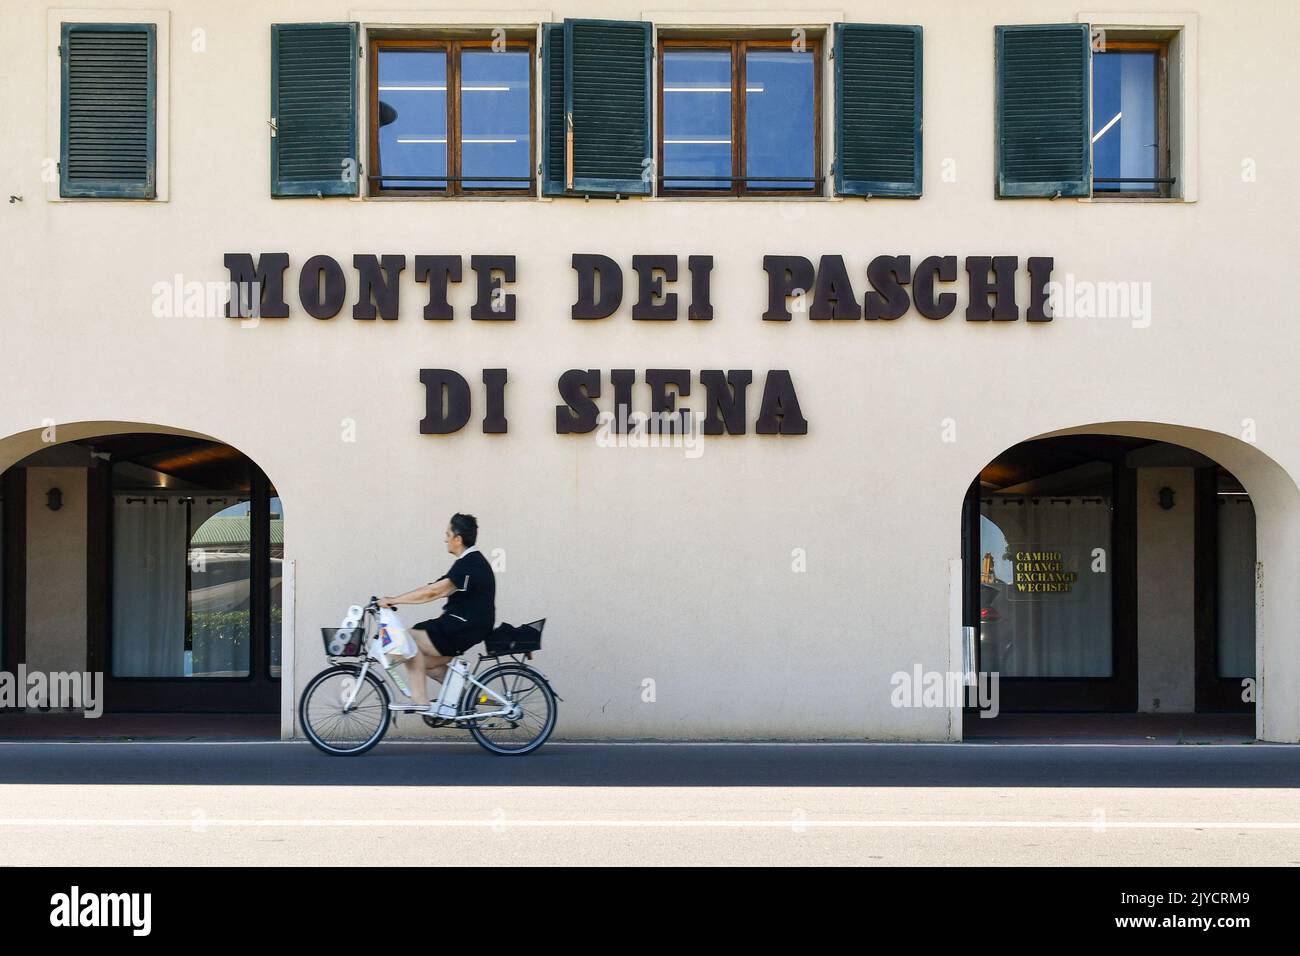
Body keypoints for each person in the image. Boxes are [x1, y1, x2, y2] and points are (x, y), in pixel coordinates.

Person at [379, 513, 495, 712]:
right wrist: (397, 598)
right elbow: (437, 587)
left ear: (458, 539)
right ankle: (466, 700)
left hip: (465, 625)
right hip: (467, 625)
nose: (445, 539)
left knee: (409, 639)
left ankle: (420, 701)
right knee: (425, 663)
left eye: (447, 534)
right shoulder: (468, 563)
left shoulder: (470, 563)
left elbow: (433, 592)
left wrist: (394, 600)